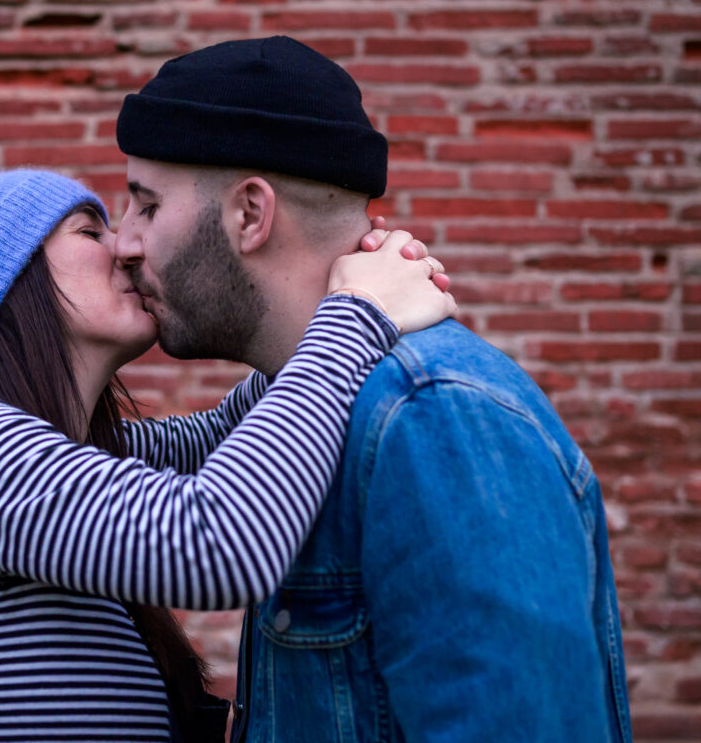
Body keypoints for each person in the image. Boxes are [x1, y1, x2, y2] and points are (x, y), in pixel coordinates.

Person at [114, 36, 633, 742]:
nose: (124, 243)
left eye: (144, 205)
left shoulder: (434, 418)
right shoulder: (297, 412)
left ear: (249, 215)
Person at [0, 168, 455, 742]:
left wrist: (328, 285)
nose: (125, 248)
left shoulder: (76, 450)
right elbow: (219, 544)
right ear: (7, 284)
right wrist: (358, 315)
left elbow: (232, 430)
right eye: (90, 230)